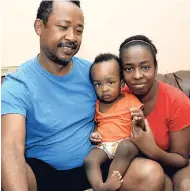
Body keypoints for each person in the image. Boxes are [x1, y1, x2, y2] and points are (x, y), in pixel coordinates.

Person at [1, 1, 174, 191]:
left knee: (151, 173)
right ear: (39, 27)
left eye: (78, 30)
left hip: (94, 169)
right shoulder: (17, 84)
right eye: (63, 27)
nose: (72, 37)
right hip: (45, 174)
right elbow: (11, 147)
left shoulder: (92, 73)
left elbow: (120, 99)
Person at [119, 34, 190, 191]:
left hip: (174, 165)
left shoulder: (178, 101)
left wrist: (151, 149)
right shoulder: (118, 99)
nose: (137, 76)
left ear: (155, 67)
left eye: (145, 67)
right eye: (129, 69)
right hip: (143, 168)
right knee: (154, 176)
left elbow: (182, 160)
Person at [84, 53, 144, 191]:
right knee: (89, 160)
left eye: (110, 82)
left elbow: (141, 127)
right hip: (104, 145)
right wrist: (95, 135)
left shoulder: (130, 100)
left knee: (126, 147)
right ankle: (99, 187)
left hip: (125, 141)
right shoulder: (98, 105)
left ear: (121, 83)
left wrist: (140, 118)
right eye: (98, 84)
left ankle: (111, 181)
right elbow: (97, 126)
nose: (104, 89)